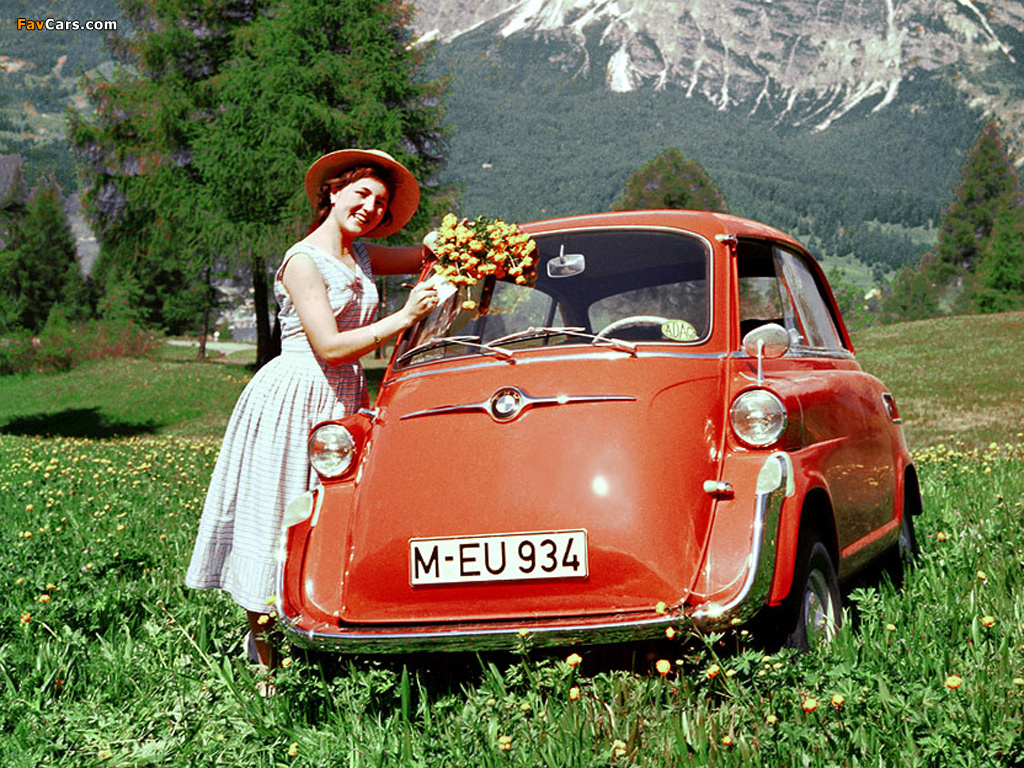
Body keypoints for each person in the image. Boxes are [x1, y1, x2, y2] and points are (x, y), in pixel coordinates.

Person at [185, 149, 439, 670]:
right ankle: (264, 661)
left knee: (333, 515)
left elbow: (421, 256)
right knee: (278, 514)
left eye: (380, 202)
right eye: (361, 194)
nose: (369, 207)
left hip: (343, 397)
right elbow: (330, 346)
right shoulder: (302, 261)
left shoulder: (360, 254)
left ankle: (324, 631)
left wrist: (454, 244)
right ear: (333, 192)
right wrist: (405, 316)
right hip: (297, 393)